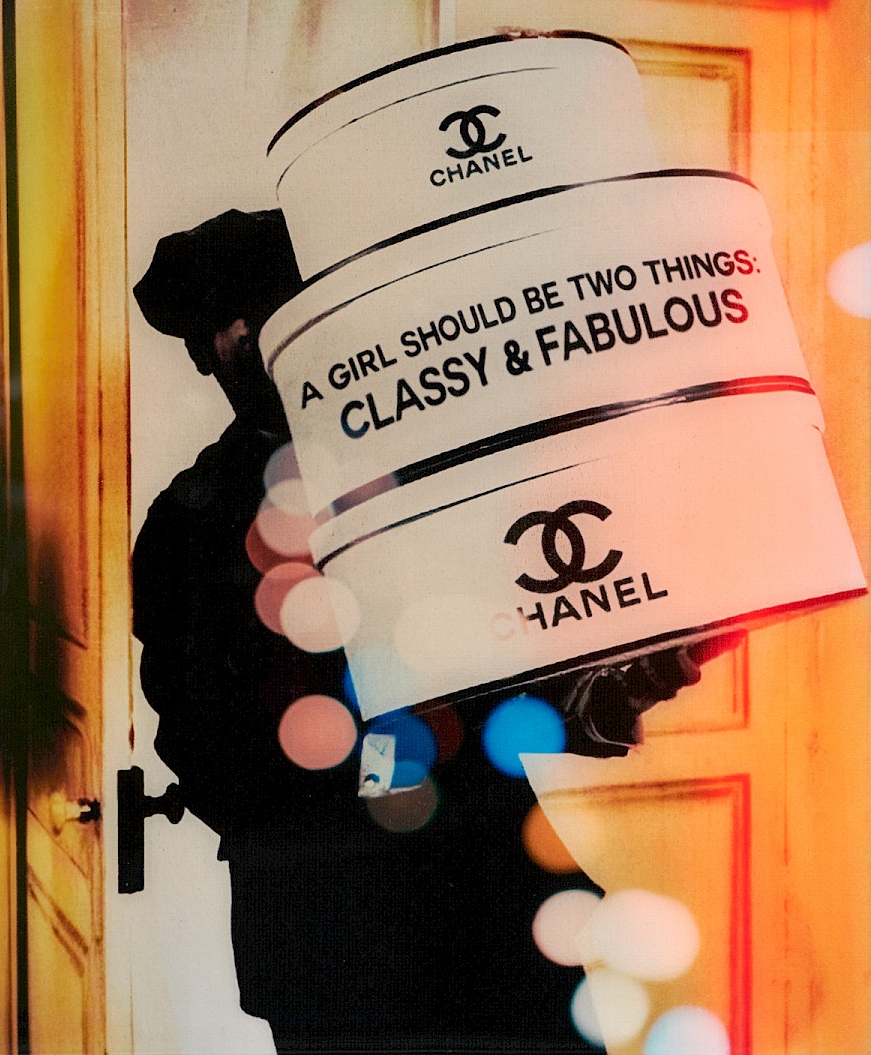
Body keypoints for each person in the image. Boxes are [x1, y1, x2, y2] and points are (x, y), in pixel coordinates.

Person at [132, 209, 739, 1053]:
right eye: (220, 334)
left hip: (482, 894)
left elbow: (545, 648)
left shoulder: (440, 468)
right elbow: (187, 717)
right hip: (323, 921)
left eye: (264, 318)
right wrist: (331, 781)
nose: (241, 348)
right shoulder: (189, 520)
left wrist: (635, 664)